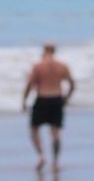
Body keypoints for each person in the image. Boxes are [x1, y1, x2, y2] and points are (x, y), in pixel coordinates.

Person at [23, 42, 75, 171]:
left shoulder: (38, 66)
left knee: (34, 130)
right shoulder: (62, 66)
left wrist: (24, 101)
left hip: (42, 99)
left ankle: (41, 155)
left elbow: (29, 85)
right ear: (54, 51)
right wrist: (66, 98)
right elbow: (72, 85)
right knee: (56, 133)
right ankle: (56, 162)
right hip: (57, 99)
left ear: (44, 51)